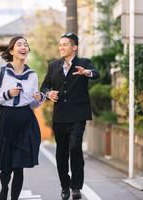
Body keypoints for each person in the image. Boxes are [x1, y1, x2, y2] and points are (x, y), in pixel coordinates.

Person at [40, 33, 100, 200]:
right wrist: (48, 93)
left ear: (74, 47)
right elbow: (44, 86)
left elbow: (96, 73)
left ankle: (76, 188)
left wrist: (86, 72)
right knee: (61, 153)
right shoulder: (53, 66)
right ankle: (65, 186)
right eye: (60, 45)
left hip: (78, 115)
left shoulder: (83, 63)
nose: (61, 47)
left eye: (65, 45)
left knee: (75, 148)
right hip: (59, 116)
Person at [0, 36, 46, 200]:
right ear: (11, 51)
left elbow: (32, 104)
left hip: (26, 119)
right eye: (19, 44)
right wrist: (7, 94)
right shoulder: (0, 72)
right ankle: (4, 189)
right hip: (6, 118)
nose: (23, 47)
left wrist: (39, 99)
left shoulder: (32, 75)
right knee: (6, 166)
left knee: (19, 165)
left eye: (26, 45)